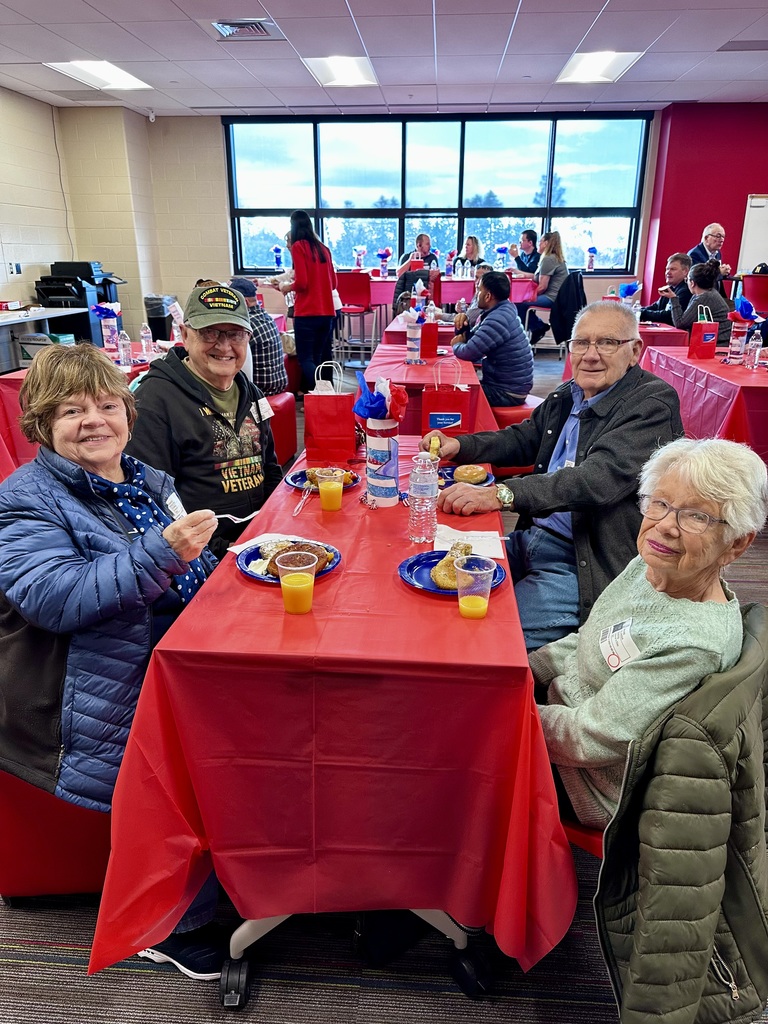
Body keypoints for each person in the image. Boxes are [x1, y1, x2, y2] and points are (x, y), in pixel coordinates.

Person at [0, 344, 225, 980]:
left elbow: (188, 562)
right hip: (90, 684)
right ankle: (173, 924)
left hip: (170, 654)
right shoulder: (25, 498)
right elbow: (56, 598)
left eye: (107, 405)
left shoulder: (141, 479)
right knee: (201, 753)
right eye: (72, 410)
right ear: (43, 425)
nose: (95, 420)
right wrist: (164, 552)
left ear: (128, 413)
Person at [532, 437, 768, 1024]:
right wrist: (522, 668)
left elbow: (593, 738)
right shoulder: (651, 564)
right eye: (659, 504)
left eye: (695, 515)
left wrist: (510, 717)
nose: (664, 525)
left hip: (599, 784)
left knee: (445, 749)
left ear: (738, 543)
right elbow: (589, 643)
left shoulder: (693, 641)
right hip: (568, 721)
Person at [421, 300, 684, 651]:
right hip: (533, 539)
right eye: (581, 343)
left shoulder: (652, 403)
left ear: (634, 350)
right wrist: (460, 445)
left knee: (489, 641)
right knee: (433, 586)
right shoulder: (569, 394)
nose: (590, 355)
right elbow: (523, 438)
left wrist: (500, 494)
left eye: (606, 342)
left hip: (583, 561)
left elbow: (595, 480)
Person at [126, 283, 282, 559]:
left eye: (235, 334)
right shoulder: (153, 402)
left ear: (247, 337)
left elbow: (269, 468)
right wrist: (223, 553)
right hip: (202, 556)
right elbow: (150, 503)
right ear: (185, 335)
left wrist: (273, 527)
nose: (223, 346)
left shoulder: (251, 393)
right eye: (209, 332)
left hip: (258, 540)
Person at [451, 271, 533, 407]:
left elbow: (468, 352)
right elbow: (472, 339)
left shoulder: (498, 319)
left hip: (507, 392)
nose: (477, 295)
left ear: (488, 296)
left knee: (452, 394)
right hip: (509, 386)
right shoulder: (502, 310)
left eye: (478, 290)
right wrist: (462, 324)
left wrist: (456, 344)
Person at [276, 211, 337, 392]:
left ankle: (323, 394)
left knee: (306, 359)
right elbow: (333, 283)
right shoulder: (323, 249)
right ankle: (322, 397)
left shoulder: (298, 247)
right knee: (317, 358)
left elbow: (302, 283)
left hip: (307, 312)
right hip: (327, 313)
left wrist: (287, 287)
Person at [229, 276, 288, 396]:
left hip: (261, 389)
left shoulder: (246, 326)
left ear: (244, 302)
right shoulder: (266, 317)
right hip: (278, 383)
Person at [514, 230, 569, 344]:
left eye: (541, 241)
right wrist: (522, 274)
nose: (538, 244)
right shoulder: (553, 258)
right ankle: (538, 326)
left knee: (519, 303)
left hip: (552, 298)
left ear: (547, 243)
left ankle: (537, 328)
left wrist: (528, 296)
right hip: (557, 297)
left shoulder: (548, 259)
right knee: (522, 302)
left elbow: (542, 287)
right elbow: (537, 277)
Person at [661, 259, 731, 344]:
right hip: (715, 342)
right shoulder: (708, 294)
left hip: (717, 345)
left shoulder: (704, 298)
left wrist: (673, 298)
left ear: (692, 283)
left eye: (687, 280)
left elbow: (680, 323)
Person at [639, 252, 692, 324]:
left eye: (673, 269)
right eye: (667, 269)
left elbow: (668, 316)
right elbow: (656, 306)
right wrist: (638, 311)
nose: (668, 272)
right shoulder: (671, 288)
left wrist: (642, 313)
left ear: (685, 271)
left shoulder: (686, 290)